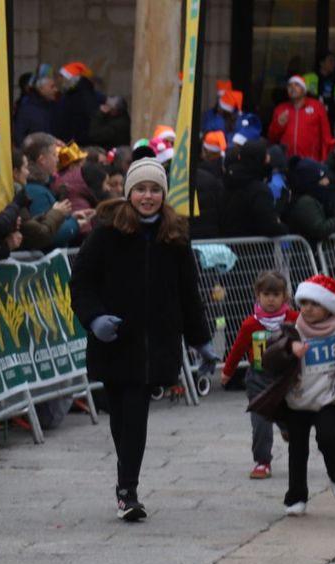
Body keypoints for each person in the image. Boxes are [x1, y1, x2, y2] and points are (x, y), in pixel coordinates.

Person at [70, 158, 212, 521]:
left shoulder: (175, 235)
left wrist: (201, 340)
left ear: (163, 195)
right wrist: (94, 318)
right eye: (141, 189)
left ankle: (127, 489)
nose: (147, 196)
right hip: (114, 340)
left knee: (135, 412)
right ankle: (126, 479)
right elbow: (81, 281)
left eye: (154, 190)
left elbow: (187, 291)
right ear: (128, 192)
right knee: (119, 416)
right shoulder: (106, 233)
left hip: (154, 345)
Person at [248, 275, 335, 514]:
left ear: (328, 307)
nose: (307, 308)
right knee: (297, 450)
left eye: (314, 304)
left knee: (327, 437)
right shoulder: (292, 329)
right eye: (303, 303)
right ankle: (296, 497)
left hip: (328, 398)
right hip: (298, 401)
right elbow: (269, 359)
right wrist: (288, 348)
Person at [220, 271, 298, 479]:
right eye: (266, 294)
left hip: (284, 378)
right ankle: (262, 461)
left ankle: (286, 427)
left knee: (287, 412)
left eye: (276, 294)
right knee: (261, 421)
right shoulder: (250, 324)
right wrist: (228, 371)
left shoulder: (293, 320)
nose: (271, 299)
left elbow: (307, 338)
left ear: (285, 297)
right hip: (258, 378)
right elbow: (237, 349)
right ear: (258, 295)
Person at [219, 139, 286, 238]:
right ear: (260, 159)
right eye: (266, 156)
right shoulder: (260, 190)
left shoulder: (228, 180)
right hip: (252, 248)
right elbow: (269, 226)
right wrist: (283, 228)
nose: (268, 159)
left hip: (228, 244)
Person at [268, 75, 335, 162]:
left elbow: (326, 138)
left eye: (297, 85)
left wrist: (324, 160)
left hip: (311, 162)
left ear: (304, 90)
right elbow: (272, 139)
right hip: (287, 162)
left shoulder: (317, 107)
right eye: (290, 85)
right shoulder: (280, 109)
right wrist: (278, 125)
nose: (292, 88)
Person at [56, 62, 102, 144]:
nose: (60, 81)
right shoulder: (71, 93)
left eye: (62, 78)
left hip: (79, 143)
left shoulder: (82, 94)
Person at [303, 52, 335, 132]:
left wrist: (327, 104)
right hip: (310, 116)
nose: (333, 64)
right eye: (330, 61)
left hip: (331, 119)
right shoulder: (307, 78)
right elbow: (302, 97)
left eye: (334, 61)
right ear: (322, 63)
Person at [14, 72, 63, 142]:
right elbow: (20, 136)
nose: (56, 90)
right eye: (52, 87)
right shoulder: (27, 109)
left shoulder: (55, 106)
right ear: (41, 88)